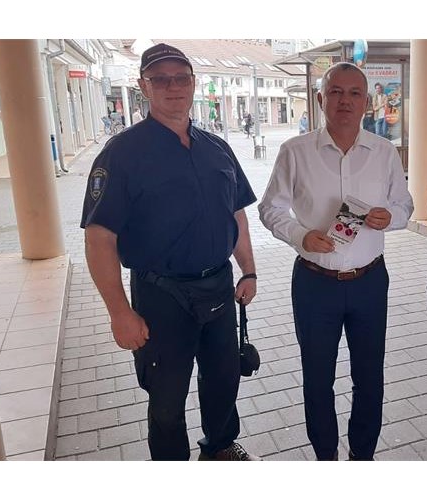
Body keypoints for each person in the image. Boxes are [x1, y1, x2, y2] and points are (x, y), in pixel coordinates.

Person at [80, 43, 261, 461]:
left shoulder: (217, 148)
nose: (173, 87)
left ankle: (220, 449)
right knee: (166, 399)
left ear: (193, 84)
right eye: (160, 79)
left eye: (181, 78)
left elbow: (236, 214)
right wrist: (119, 312)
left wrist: (248, 270)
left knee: (223, 381)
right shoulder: (122, 154)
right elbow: (99, 238)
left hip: (218, 287)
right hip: (161, 297)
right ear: (144, 87)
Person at [259, 62, 413, 461]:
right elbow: (270, 208)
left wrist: (391, 217)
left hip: (369, 282)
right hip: (315, 283)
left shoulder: (384, 152)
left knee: (370, 378)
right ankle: (325, 456)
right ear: (320, 98)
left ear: (367, 101)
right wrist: (299, 235)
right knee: (317, 379)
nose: (345, 100)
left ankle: (362, 455)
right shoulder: (295, 152)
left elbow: (404, 205)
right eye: (336, 92)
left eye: (354, 93)